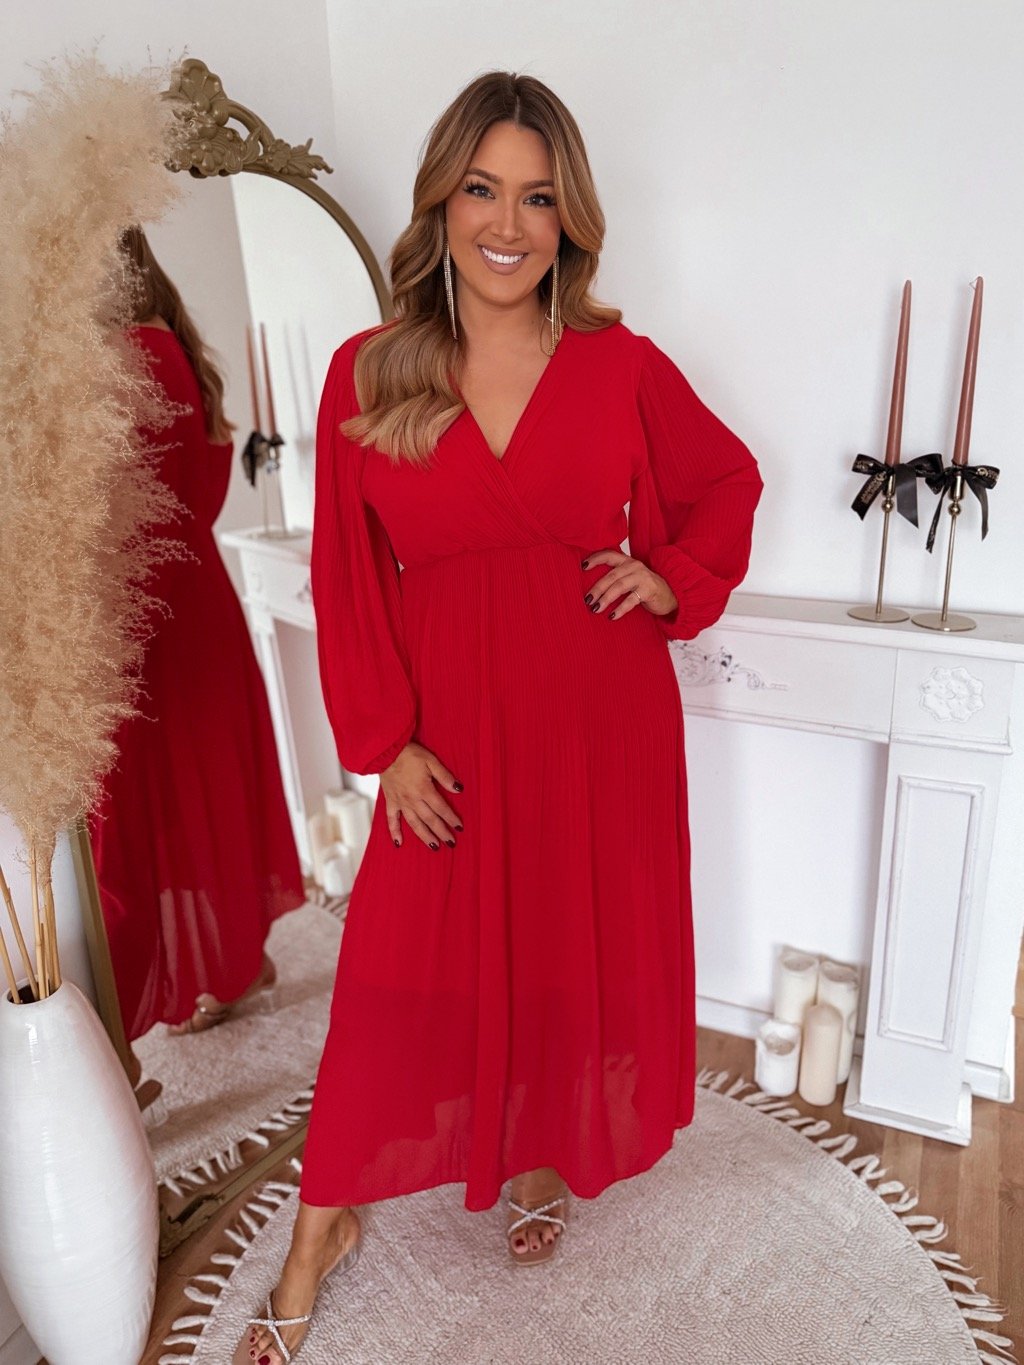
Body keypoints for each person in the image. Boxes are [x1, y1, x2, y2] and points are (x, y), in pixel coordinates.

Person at [238, 71, 763, 1364]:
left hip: (599, 721)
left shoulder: (619, 364)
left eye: (537, 196)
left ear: (568, 217)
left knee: (561, 947)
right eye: (483, 189)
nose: (508, 224)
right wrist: (384, 746)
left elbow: (726, 480)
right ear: (443, 203)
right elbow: (347, 577)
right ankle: (319, 1233)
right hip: (450, 736)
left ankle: (537, 1152)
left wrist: (673, 577)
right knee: (390, 983)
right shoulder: (372, 369)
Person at [90, 227, 306, 1048]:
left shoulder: (130, 355)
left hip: (155, 622)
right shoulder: (169, 348)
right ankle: (233, 964)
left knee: (142, 827)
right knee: (192, 804)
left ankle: (141, 1018)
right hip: (188, 608)